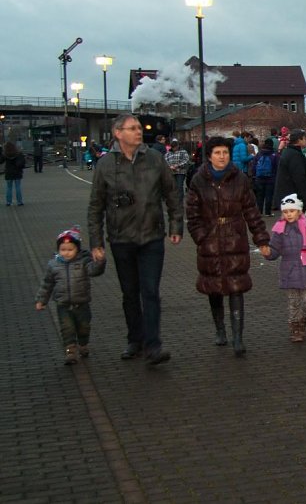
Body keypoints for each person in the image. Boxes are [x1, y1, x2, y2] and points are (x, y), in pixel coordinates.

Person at [87, 114, 183, 364]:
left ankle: (153, 345)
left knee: (150, 291)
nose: (138, 132)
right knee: (130, 292)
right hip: (121, 238)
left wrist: (176, 225)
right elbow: (95, 206)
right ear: (118, 133)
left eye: (139, 128)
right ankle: (135, 339)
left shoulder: (154, 159)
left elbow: (172, 193)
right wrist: (96, 243)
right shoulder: (105, 165)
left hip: (151, 236)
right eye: (132, 128)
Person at [185, 137, 271, 356]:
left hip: (234, 238)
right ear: (209, 156)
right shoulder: (198, 180)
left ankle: (237, 337)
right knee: (214, 288)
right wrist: (201, 236)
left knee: (236, 287)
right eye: (217, 153)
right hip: (210, 240)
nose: (222, 156)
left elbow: (251, 211)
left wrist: (261, 239)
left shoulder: (240, 179)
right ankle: (220, 330)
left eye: (225, 152)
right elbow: (192, 213)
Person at [35, 226, 106, 364]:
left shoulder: (84, 262)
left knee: (84, 326)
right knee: (67, 329)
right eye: (63, 250)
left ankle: (83, 344)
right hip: (63, 305)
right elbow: (47, 284)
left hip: (82, 303)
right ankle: (70, 351)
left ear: (77, 249)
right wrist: (41, 300)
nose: (66, 253)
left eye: (70, 250)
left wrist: (100, 261)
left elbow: (94, 271)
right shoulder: (53, 265)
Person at [266, 194, 306, 342]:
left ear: (299, 211)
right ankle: (296, 328)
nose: (289, 214)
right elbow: (274, 250)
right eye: (286, 212)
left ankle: (304, 319)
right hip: (289, 270)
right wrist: (267, 252)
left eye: (292, 211)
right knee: (294, 302)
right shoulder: (279, 229)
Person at [273, 129, 306, 213]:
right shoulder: (294, 155)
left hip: (289, 196)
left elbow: (303, 172)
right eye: (304, 138)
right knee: (296, 223)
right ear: (299, 140)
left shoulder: (291, 152)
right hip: (293, 198)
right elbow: (300, 178)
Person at [250, 138, 280, 216]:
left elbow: (254, 165)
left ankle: (259, 211)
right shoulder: (274, 155)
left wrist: (254, 175)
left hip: (259, 178)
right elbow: (277, 166)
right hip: (271, 178)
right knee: (269, 195)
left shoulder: (259, 154)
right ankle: (267, 212)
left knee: (260, 195)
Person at [164, 139, 190, 206]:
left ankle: (180, 202)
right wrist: (170, 167)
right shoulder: (167, 154)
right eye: (173, 147)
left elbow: (186, 160)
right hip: (171, 172)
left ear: (178, 146)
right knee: (172, 187)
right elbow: (164, 162)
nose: (174, 149)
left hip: (180, 172)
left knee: (179, 187)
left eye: (175, 147)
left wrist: (177, 165)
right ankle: (173, 201)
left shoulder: (183, 152)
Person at [1, 142, 26, 206]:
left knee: (9, 188)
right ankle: (19, 202)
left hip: (9, 173)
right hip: (17, 172)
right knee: (18, 187)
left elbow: (0, 161)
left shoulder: (5, 154)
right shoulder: (18, 153)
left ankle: (8, 202)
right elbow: (23, 163)